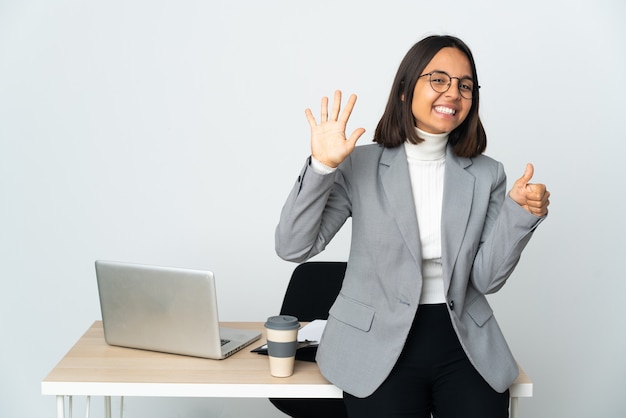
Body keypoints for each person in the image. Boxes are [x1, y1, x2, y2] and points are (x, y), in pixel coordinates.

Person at [275, 35, 550, 418]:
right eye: (439, 79)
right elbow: (293, 246)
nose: (453, 92)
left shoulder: (488, 174)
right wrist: (322, 167)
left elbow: (486, 280)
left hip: (462, 340)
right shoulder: (360, 165)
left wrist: (520, 215)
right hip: (374, 343)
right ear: (405, 89)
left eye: (464, 85)